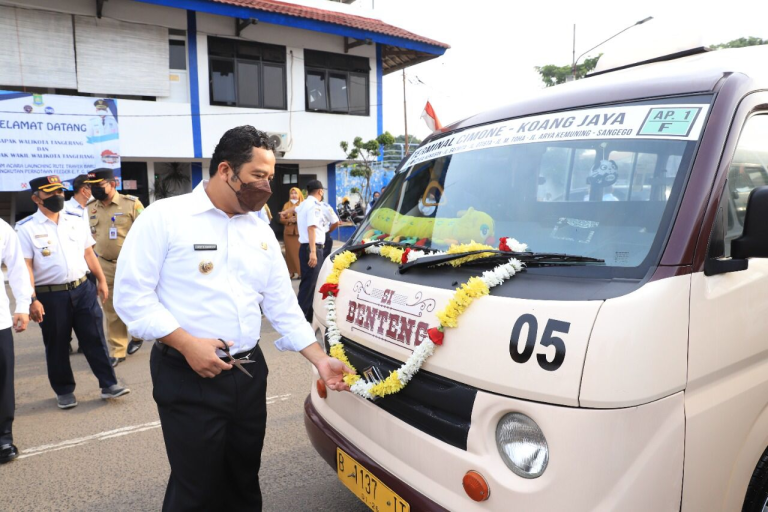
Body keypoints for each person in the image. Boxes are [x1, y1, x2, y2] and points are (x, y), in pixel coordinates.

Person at [113, 125, 352, 511]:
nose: (266, 186)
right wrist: (187, 344)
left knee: (244, 479)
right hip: (189, 374)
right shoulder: (166, 218)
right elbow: (132, 298)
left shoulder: (260, 231)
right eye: (258, 175)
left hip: (249, 373)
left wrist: (320, 360)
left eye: (270, 177)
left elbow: (281, 305)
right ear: (225, 170)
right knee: (196, 489)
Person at [16, 175, 128, 410]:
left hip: (83, 288)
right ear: (36, 199)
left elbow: (89, 253)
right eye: (50, 193)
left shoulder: (76, 219)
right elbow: (25, 267)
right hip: (50, 296)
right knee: (57, 345)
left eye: (59, 191)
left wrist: (101, 280)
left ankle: (109, 384)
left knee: (95, 338)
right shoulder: (26, 228)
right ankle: (64, 391)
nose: (58, 196)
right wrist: (31, 299)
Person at [85, 168, 145, 366]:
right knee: (110, 308)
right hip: (104, 264)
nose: (95, 190)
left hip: (130, 264)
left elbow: (147, 233)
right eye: (92, 186)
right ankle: (118, 349)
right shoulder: (90, 208)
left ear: (113, 184)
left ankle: (137, 335)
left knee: (134, 302)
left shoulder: (131, 204)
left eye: (99, 186)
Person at [0, 218, 32, 464]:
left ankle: (3, 437)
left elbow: (17, 267)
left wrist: (23, 305)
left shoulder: (1, 228)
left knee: (2, 381)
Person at [65, 174, 92, 354]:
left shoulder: (94, 208)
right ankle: (66, 341)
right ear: (84, 190)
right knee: (67, 309)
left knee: (87, 308)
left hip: (91, 263)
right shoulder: (64, 209)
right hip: (73, 266)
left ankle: (85, 341)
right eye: (92, 188)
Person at [296, 179, 327, 322]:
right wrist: (313, 252)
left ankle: (308, 315)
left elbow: (294, 210)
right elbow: (311, 228)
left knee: (310, 283)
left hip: (306, 247)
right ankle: (300, 316)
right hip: (312, 248)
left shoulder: (303, 204)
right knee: (309, 285)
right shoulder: (315, 206)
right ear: (320, 191)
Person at [280, 187, 303, 279]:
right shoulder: (286, 205)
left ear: (299, 194)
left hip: (300, 233)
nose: (293, 195)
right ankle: (291, 272)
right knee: (289, 253)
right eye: (292, 193)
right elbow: (281, 219)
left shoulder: (303, 204)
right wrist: (288, 220)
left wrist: (298, 219)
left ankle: (300, 272)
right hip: (288, 233)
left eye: (295, 193)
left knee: (299, 253)